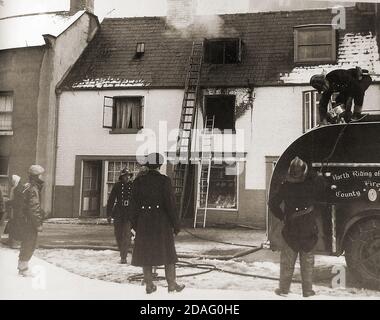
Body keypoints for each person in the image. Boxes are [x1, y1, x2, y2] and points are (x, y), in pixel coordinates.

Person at [268, 157, 325, 298]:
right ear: (304, 171)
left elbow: (272, 203)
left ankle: (283, 290)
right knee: (307, 262)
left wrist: (282, 216)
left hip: (291, 229)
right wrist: (317, 175)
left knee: (287, 261)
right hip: (308, 229)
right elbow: (323, 187)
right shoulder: (311, 184)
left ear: (291, 172)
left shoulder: (286, 185)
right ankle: (307, 291)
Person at [130, 153, 185, 294]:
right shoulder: (164, 181)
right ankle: (172, 284)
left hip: (144, 222)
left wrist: (136, 225)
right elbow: (170, 204)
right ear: (160, 166)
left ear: (147, 165)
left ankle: (149, 284)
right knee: (168, 254)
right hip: (162, 222)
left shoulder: (138, 181)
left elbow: (133, 206)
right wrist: (176, 224)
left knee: (145, 254)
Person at [18, 165, 46, 277]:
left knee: (26, 242)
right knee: (29, 243)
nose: (42, 176)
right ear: (37, 176)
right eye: (41, 174)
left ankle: (22, 266)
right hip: (30, 221)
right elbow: (34, 207)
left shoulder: (27, 186)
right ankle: (24, 268)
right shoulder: (33, 188)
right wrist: (38, 224)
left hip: (24, 219)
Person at [106, 167, 134, 264]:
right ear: (121, 177)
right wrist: (108, 214)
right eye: (125, 176)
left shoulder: (133, 186)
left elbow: (137, 200)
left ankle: (124, 256)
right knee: (118, 234)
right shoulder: (117, 186)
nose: (127, 178)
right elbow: (111, 200)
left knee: (126, 235)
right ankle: (122, 251)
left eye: (128, 176)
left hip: (128, 213)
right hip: (118, 212)